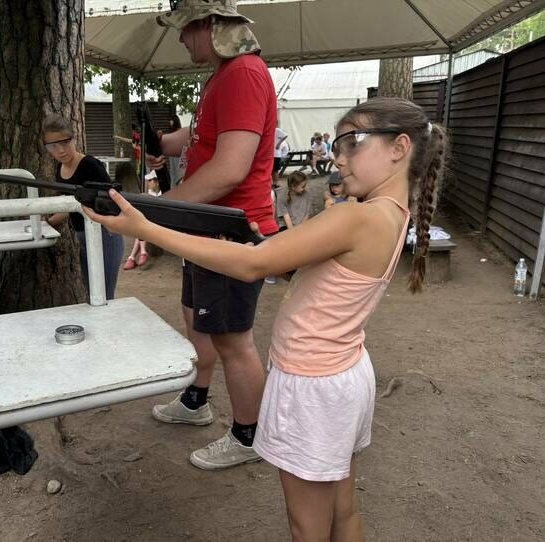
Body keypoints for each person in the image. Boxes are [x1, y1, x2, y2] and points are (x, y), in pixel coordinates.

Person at [84, 96, 446, 541]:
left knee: (306, 526)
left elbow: (252, 265)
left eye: (353, 142)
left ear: (399, 147)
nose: (339, 156)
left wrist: (145, 229)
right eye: (338, 145)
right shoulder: (392, 215)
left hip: (313, 383)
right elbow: (309, 270)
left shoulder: (356, 217)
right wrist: (261, 246)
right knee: (343, 510)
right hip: (342, 376)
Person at [145, 0, 279, 469]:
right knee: (197, 318)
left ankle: (249, 436)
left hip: (230, 232)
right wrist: (164, 144)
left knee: (231, 338)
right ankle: (196, 400)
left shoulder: (243, 74)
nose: (181, 38)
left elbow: (229, 169)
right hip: (207, 227)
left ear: (208, 24)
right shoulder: (222, 75)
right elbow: (204, 136)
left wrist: (162, 206)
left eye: (185, 29)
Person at [43, 115, 124, 300]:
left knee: (104, 295)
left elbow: (113, 201)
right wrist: (47, 222)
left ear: (74, 138)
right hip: (83, 236)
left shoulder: (90, 165)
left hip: (105, 234)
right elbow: (70, 206)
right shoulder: (59, 169)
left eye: (65, 142)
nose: (60, 150)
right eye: (52, 146)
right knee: (91, 293)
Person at [123, 171, 162, 270]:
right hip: (148, 222)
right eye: (148, 180)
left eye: (150, 180)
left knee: (141, 228)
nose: (148, 183)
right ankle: (138, 254)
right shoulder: (148, 194)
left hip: (157, 222)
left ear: (157, 182)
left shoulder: (161, 195)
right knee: (140, 229)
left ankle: (134, 256)